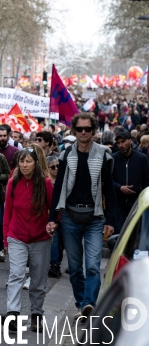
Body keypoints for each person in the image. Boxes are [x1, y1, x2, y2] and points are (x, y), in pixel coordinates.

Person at [48, 112, 117, 321]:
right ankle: (81, 304)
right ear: (74, 131)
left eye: (88, 129)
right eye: (80, 129)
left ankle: (89, 303)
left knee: (94, 265)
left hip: (95, 217)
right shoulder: (66, 155)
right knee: (75, 268)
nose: (84, 132)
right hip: (70, 216)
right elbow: (58, 187)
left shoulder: (104, 155)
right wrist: (53, 217)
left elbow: (109, 191)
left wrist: (111, 221)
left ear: (94, 131)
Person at [3, 147, 54, 332]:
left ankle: (36, 315)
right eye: (21, 161)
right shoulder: (12, 183)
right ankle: (12, 314)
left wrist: (52, 223)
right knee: (16, 275)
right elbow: (7, 213)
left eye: (28, 161)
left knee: (38, 280)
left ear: (36, 163)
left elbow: (54, 211)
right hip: (17, 236)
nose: (24, 165)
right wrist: (5, 239)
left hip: (41, 238)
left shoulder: (46, 183)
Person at [111, 130, 149, 233]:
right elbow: (108, 180)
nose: (120, 145)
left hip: (137, 203)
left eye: (123, 142)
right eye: (118, 143)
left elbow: (147, 181)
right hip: (119, 203)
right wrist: (120, 187)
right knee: (119, 232)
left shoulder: (141, 158)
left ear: (130, 141)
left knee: (136, 232)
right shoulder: (113, 159)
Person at [46, 154, 63, 278]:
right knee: (54, 240)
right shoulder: (46, 182)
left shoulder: (63, 179)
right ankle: (54, 265)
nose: (56, 169)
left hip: (65, 214)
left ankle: (57, 262)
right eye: (53, 167)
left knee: (62, 243)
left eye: (58, 166)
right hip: (51, 216)